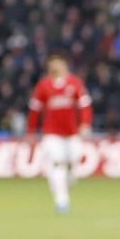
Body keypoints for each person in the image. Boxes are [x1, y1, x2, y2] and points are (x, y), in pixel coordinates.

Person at [27, 55, 91, 214]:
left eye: (58, 63)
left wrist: (85, 123)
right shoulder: (43, 85)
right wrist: (31, 131)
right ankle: (62, 201)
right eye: (52, 64)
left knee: (72, 166)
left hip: (72, 133)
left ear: (64, 65)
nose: (55, 66)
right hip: (52, 134)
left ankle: (65, 188)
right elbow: (35, 110)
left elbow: (85, 106)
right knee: (57, 164)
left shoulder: (75, 83)